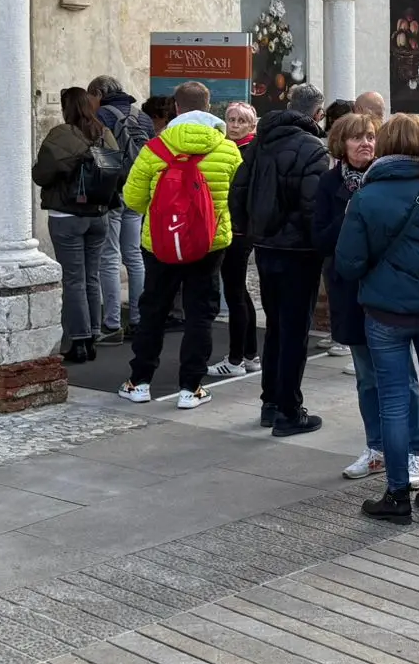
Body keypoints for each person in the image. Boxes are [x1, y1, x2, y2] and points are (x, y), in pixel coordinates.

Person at [335, 113, 419, 521]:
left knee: (393, 401)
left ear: (385, 146)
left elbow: (348, 263)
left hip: (386, 314)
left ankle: (397, 497)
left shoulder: (366, 197)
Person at [118, 81, 242, 410]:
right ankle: (191, 387)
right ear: (209, 106)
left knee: (154, 310)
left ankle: (139, 382)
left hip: (161, 242)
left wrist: (163, 214)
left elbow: (132, 198)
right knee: (200, 314)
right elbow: (236, 197)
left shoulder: (155, 149)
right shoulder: (228, 150)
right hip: (209, 243)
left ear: (176, 107)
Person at [317, 112, 419, 485]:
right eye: (356, 137)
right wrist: (350, 212)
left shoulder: (390, 179)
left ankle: (413, 452)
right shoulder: (329, 184)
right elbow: (319, 239)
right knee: (367, 377)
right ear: (341, 144)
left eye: (370, 136)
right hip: (350, 292)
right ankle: (376, 448)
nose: (365, 143)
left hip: (389, 291)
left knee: (402, 376)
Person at [231, 83, 331, 432]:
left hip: (266, 246)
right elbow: (313, 206)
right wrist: (321, 244)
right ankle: (289, 410)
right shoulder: (313, 148)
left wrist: (247, 230)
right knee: (294, 332)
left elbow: (238, 190)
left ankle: (271, 403)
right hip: (298, 251)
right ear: (318, 114)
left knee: (275, 327)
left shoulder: (261, 143)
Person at [33, 86, 119, 365]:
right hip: (99, 213)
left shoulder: (61, 135)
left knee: (73, 279)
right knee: (91, 277)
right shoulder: (104, 133)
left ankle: (79, 341)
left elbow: (41, 175)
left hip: (67, 214)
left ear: (65, 108)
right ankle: (92, 336)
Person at [88, 75, 152, 343]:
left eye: (91, 97)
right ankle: (139, 318)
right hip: (137, 191)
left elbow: (99, 158)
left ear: (99, 94)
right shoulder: (142, 117)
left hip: (113, 193)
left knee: (110, 257)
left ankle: (112, 323)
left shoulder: (101, 116)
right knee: (134, 255)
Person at [216, 101, 262, 377]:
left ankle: (236, 359)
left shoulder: (248, 151)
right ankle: (249, 354)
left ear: (252, 125)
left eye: (241, 121)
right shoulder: (232, 148)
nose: (234, 125)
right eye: (231, 120)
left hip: (239, 229)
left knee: (235, 293)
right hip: (234, 226)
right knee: (238, 291)